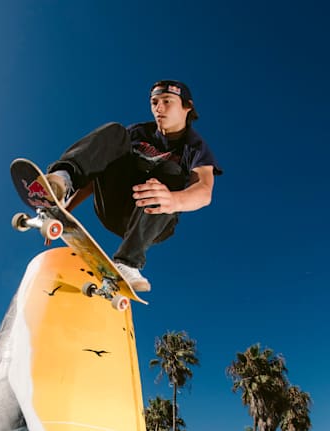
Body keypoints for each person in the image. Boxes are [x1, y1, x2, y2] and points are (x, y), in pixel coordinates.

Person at [45, 79, 222, 292]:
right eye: (154, 102)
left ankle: (128, 262)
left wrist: (174, 199)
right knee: (115, 131)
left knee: (171, 172)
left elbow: (204, 191)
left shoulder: (195, 147)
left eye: (167, 101)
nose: (159, 108)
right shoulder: (137, 133)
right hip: (114, 205)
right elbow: (99, 170)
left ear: (187, 107)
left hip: (153, 221)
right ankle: (63, 178)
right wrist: (64, 209)